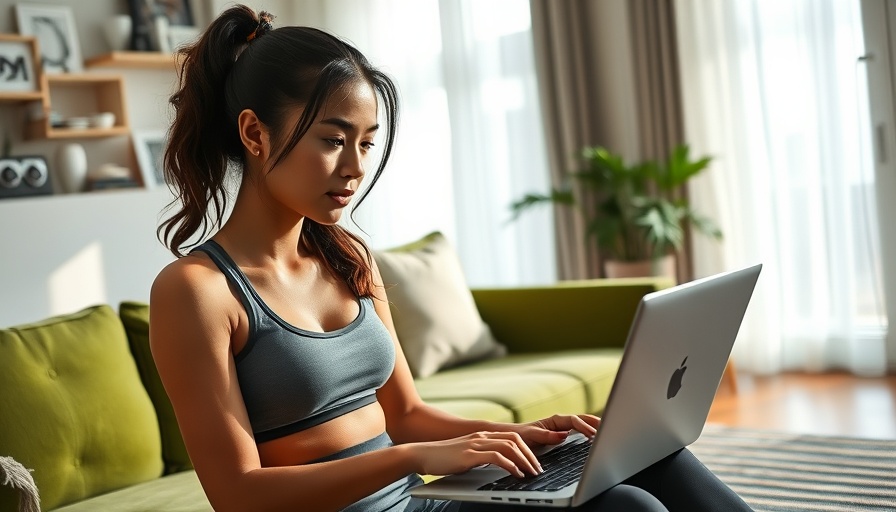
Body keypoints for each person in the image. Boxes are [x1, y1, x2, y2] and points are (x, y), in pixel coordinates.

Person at [149, 5, 754, 511]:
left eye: (366, 142)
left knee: (649, 455)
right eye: (333, 141)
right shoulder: (197, 291)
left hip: (422, 502)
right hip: (394, 497)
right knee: (629, 509)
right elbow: (237, 494)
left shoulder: (347, 256)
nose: (356, 168)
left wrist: (521, 436)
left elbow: (406, 415)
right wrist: (411, 459)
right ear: (255, 135)